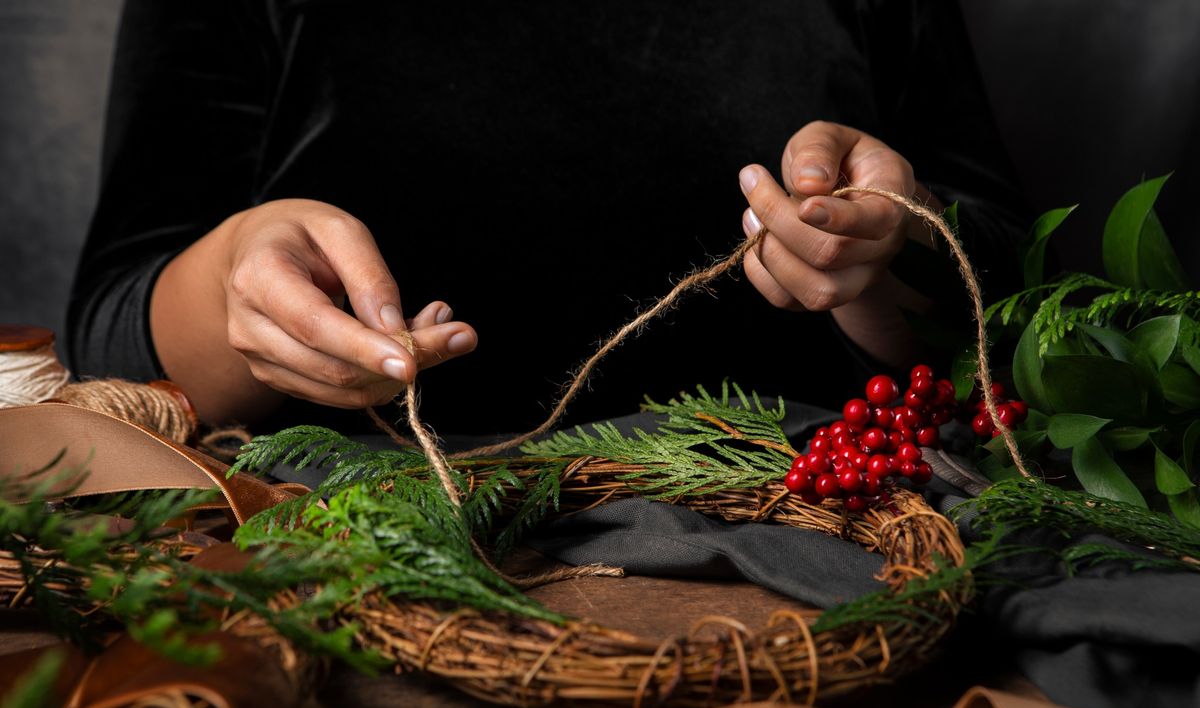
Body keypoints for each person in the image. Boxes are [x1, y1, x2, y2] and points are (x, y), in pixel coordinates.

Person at [68, 1, 1027, 434]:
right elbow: (113, 323)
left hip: (834, 549)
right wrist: (239, 282)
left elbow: (1020, 284)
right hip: (354, 574)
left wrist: (891, 244)